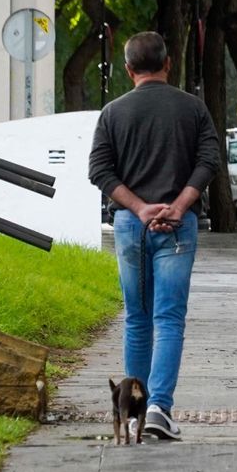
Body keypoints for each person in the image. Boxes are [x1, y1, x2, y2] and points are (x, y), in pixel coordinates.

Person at [88, 32, 220, 441]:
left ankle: (132, 411)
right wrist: (178, 206)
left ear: (128, 70)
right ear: (169, 63)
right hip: (178, 228)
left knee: (136, 318)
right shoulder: (193, 109)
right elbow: (209, 160)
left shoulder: (113, 113)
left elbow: (99, 171)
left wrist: (140, 208)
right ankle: (160, 407)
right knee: (169, 318)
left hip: (131, 226)